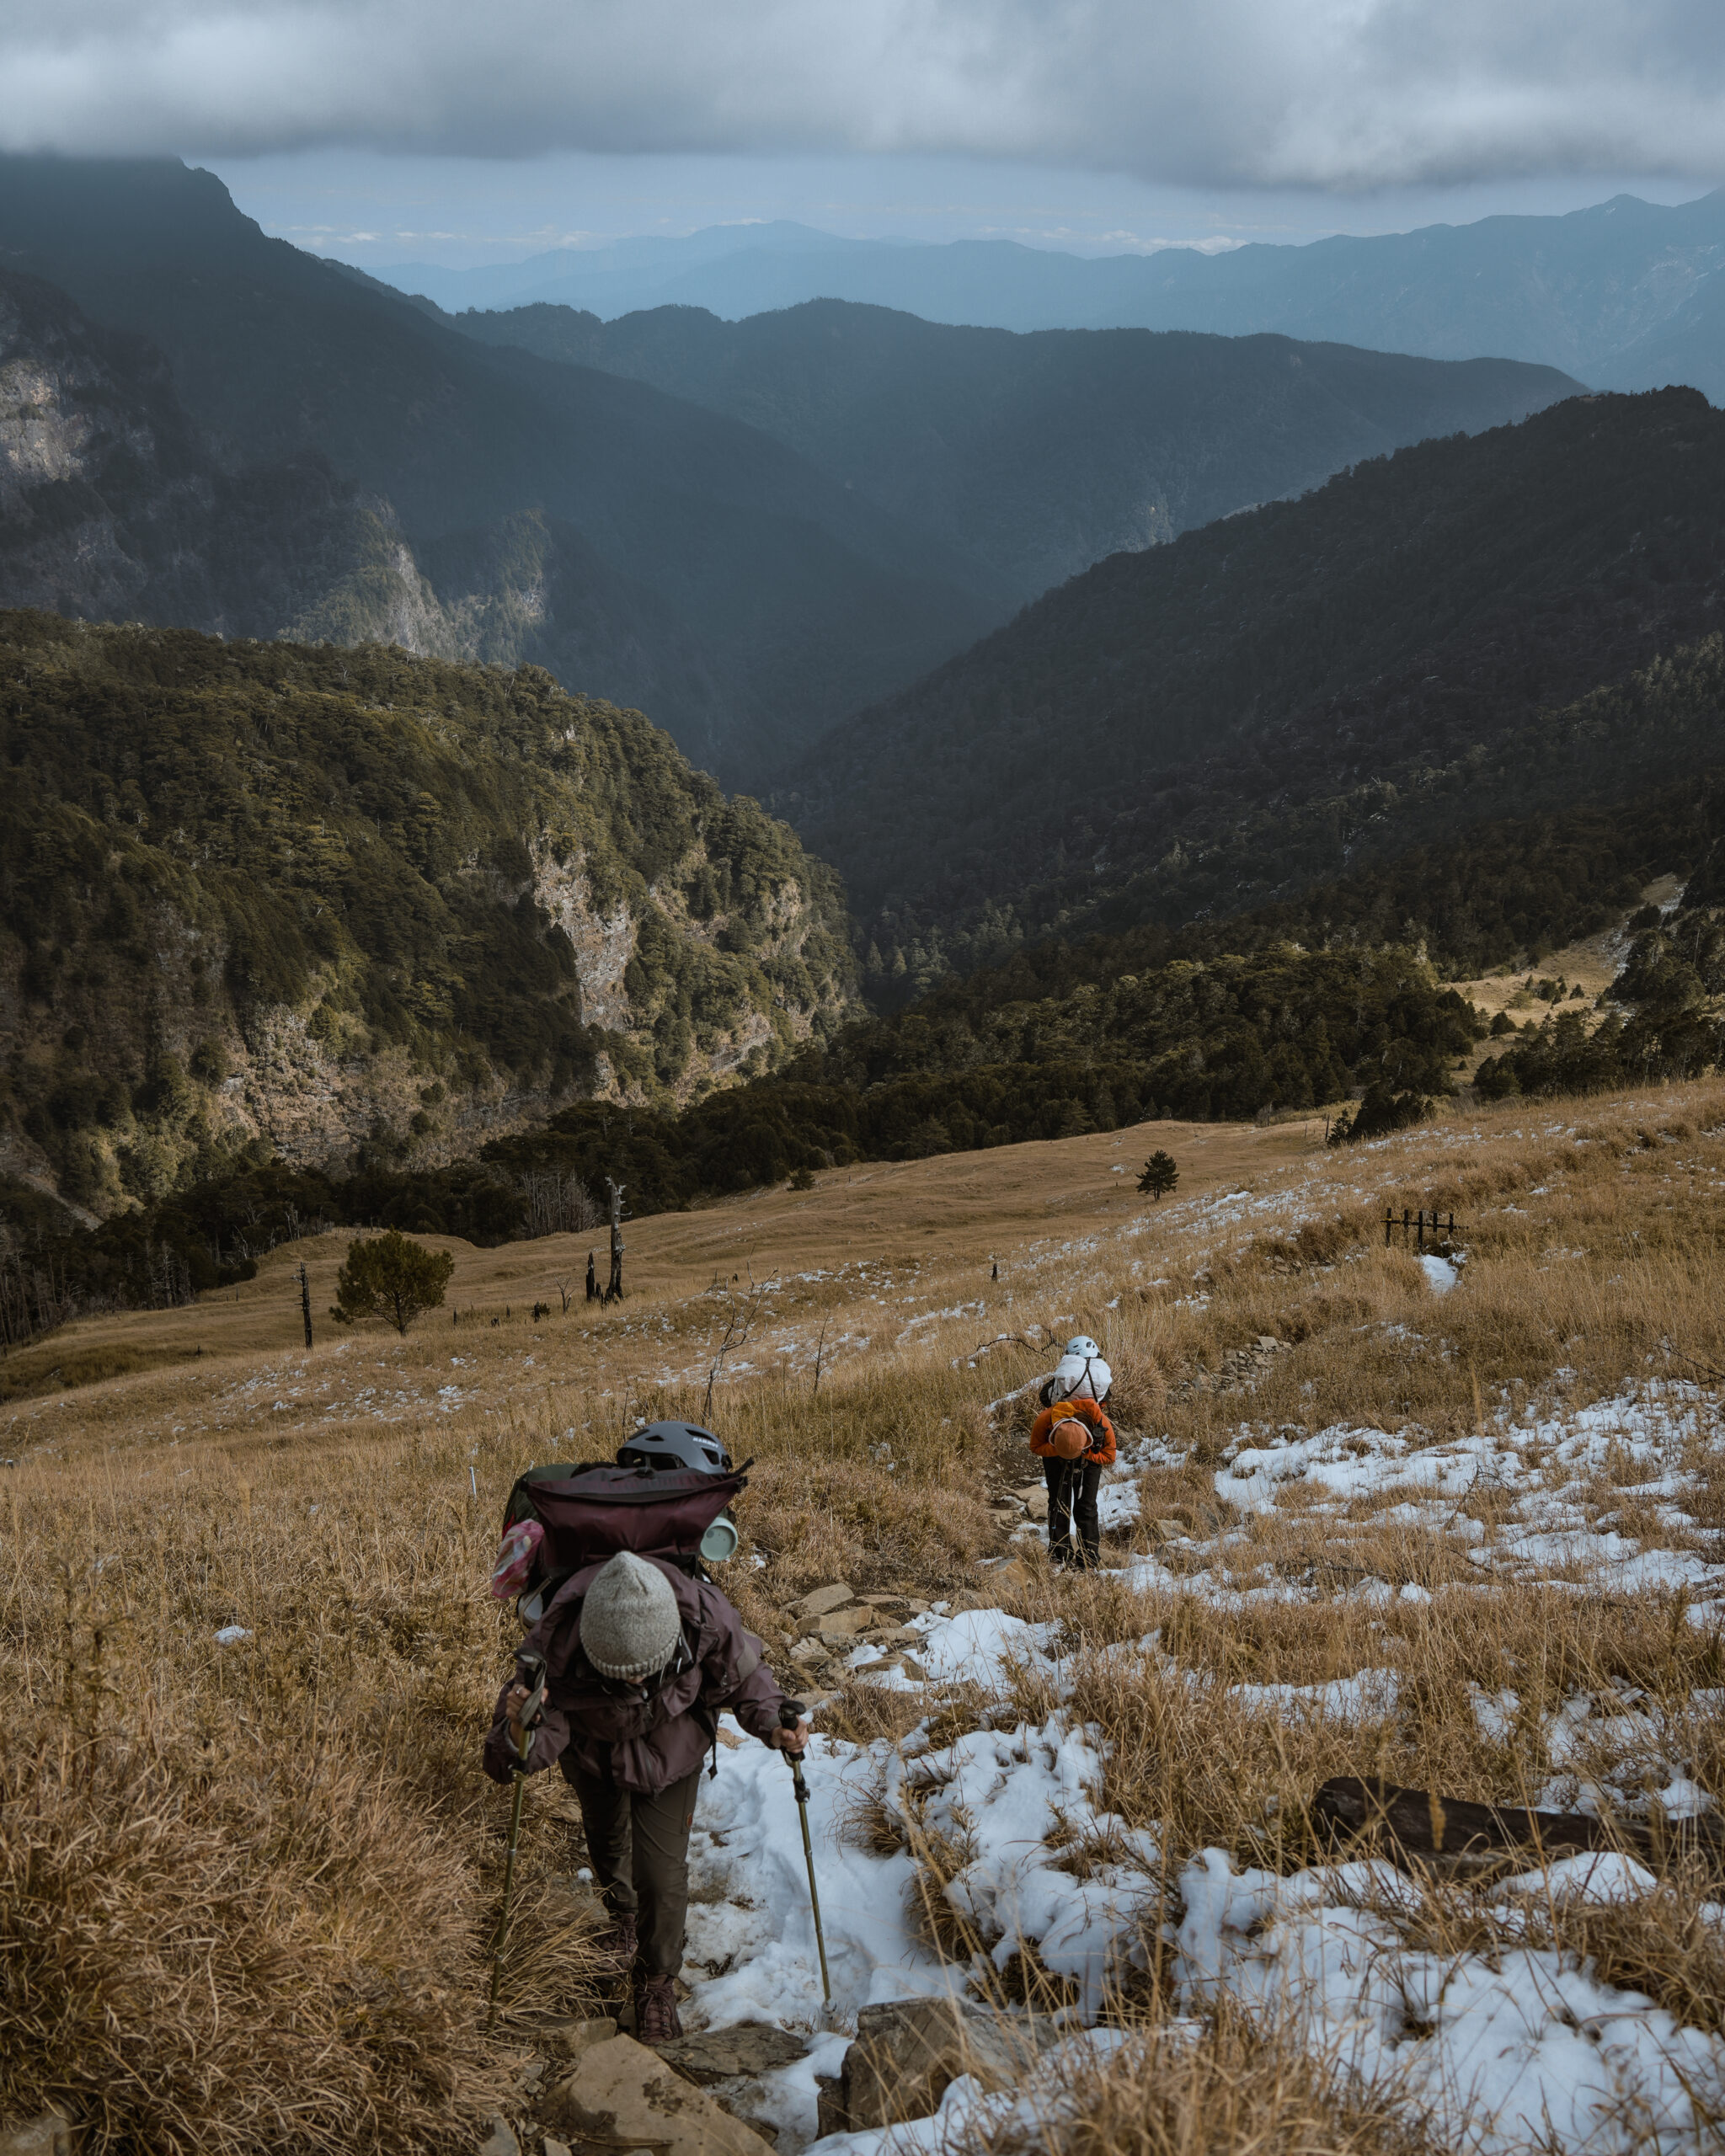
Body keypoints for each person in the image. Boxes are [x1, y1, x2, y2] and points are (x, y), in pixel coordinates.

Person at [483, 1547, 806, 2043]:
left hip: (673, 1754)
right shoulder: (555, 1643)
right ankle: (623, 1920)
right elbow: (518, 1753)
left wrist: (773, 1725)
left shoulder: (705, 1619)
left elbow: (746, 1680)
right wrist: (519, 1730)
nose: (635, 1680)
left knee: (661, 1873)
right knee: (607, 1842)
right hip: (594, 1758)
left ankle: (656, 1982)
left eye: (645, 1670)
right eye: (619, 1671)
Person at [1028, 1393, 1115, 1569]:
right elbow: (1035, 1446)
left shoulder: (1101, 1423)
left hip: (1089, 1459)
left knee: (1086, 1506)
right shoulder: (1045, 1419)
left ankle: (1088, 1559)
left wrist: (1086, 1453)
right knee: (1058, 1503)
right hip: (1055, 1457)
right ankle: (1059, 1555)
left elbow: (1109, 1455)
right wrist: (1056, 1450)